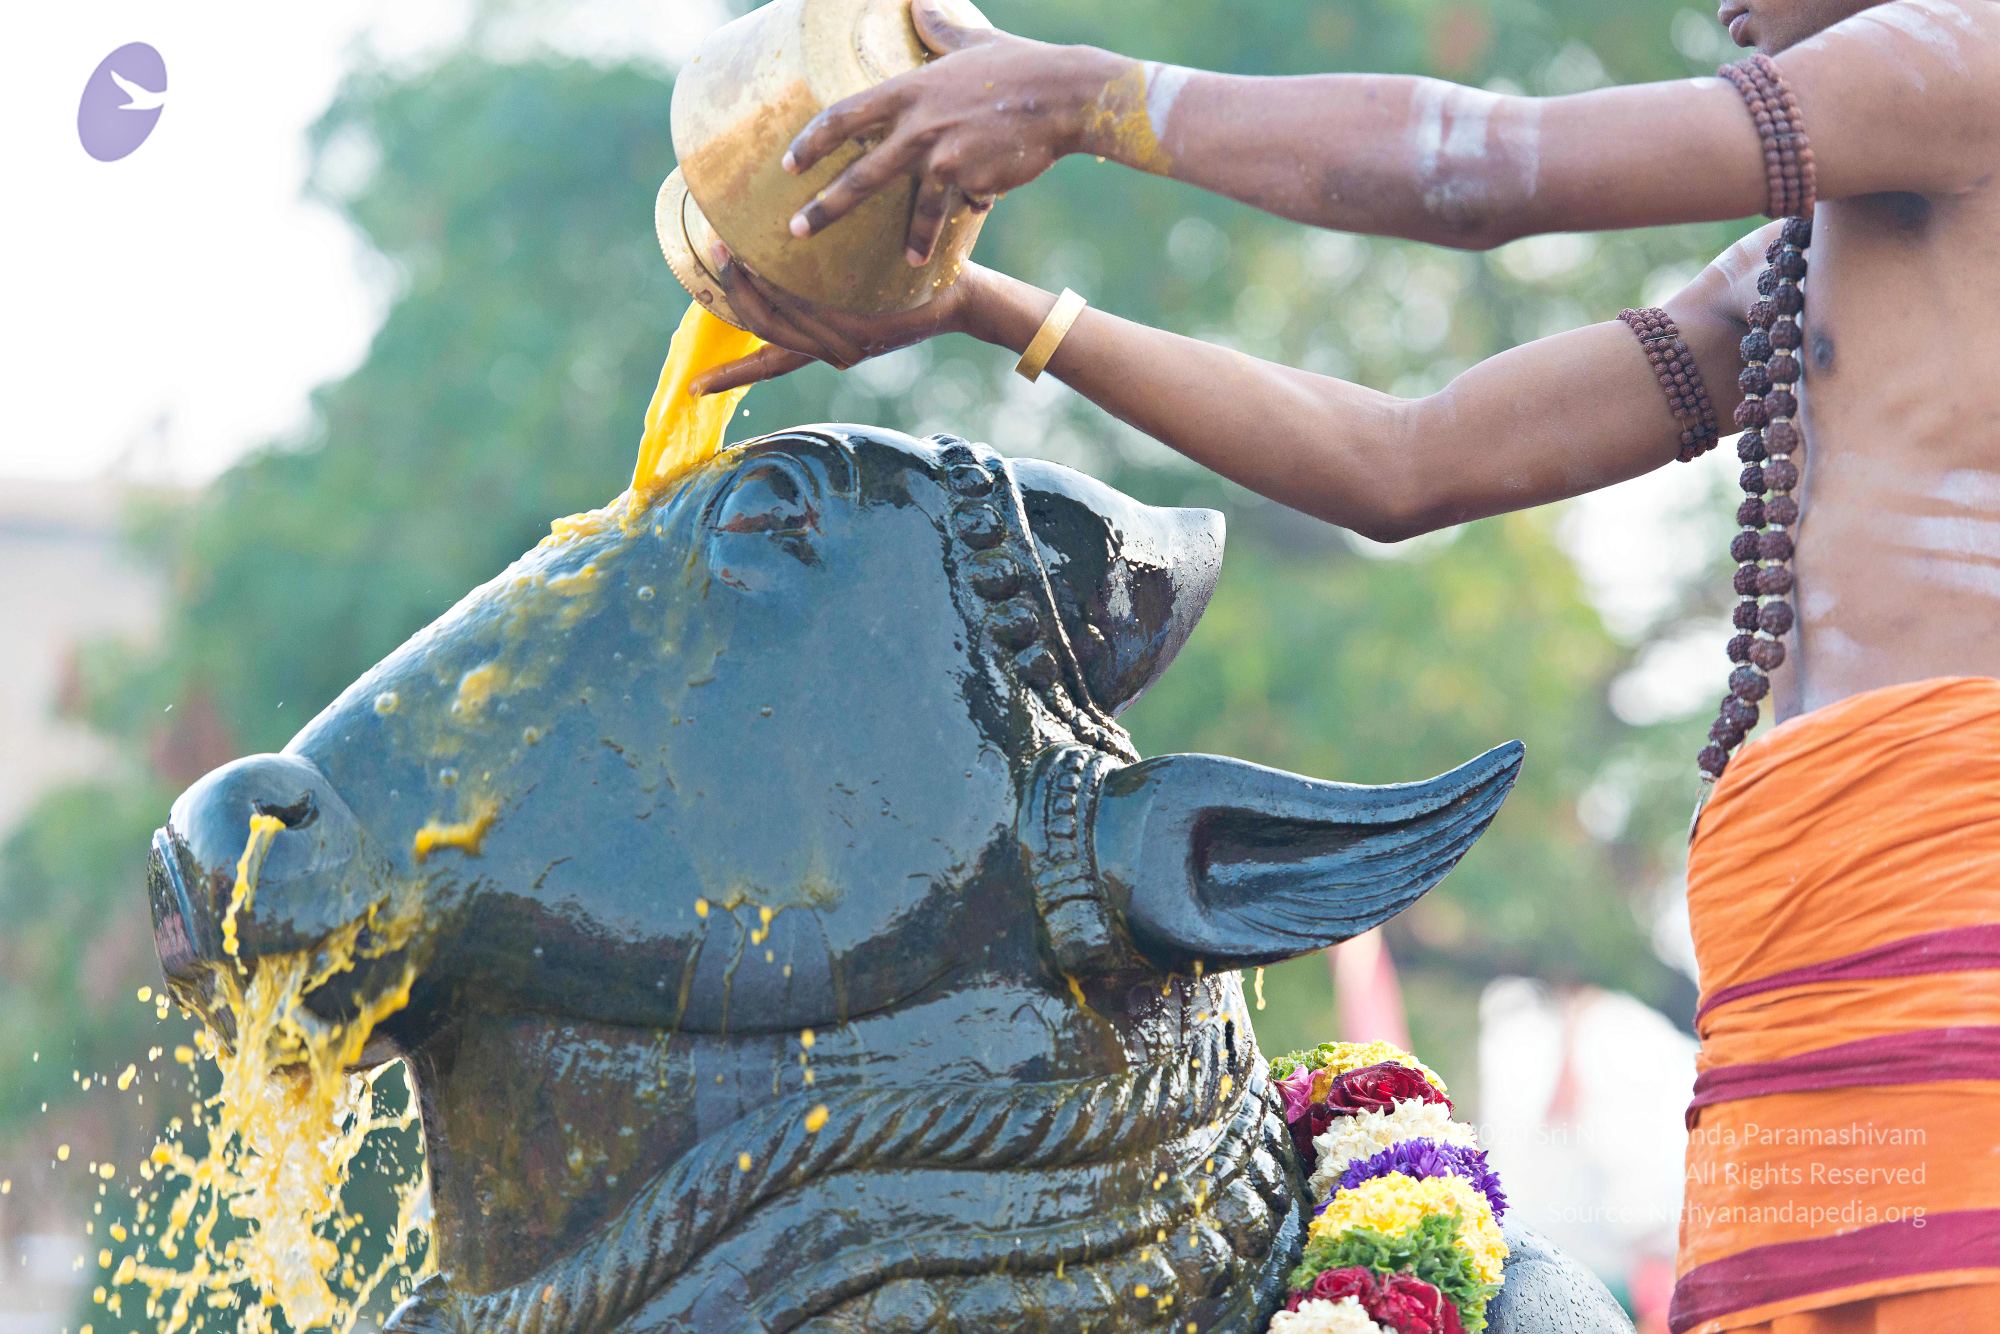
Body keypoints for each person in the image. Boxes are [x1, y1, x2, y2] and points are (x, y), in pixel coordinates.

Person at [689, 3, 2000, 1330]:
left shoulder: (1969, 60)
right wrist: (988, 307)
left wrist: (1086, 100)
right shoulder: (1792, 262)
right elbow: (1406, 461)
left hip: (1959, 936)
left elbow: (1482, 170)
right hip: (1796, 970)